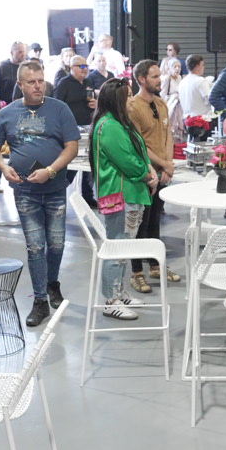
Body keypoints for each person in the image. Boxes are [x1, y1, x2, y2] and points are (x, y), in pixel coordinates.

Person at [0, 62, 79, 326]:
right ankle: (40, 300)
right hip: (25, 191)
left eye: (40, 80)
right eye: (31, 82)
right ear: (20, 85)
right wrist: (4, 167)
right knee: (36, 246)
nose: (38, 86)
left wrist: (50, 170)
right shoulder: (7, 113)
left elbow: (72, 146)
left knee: (57, 243)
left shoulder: (59, 109)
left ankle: (52, 283)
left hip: (55, 188)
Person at [90, 78, 157, 320]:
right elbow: (126, 160)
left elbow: (139, 152)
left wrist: (149, 169)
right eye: (128, 96)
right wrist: (147, 175)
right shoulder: (109, 126)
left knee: (124, 247)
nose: (132, 100)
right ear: (116, 99)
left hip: (129, 193)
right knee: (117, 248)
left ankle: (119, 292)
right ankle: (111, 301)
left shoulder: (119, 123)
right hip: (120, 195)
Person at [126, 60, 181, 294]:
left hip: (162, 172)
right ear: (141, 79)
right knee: (140, 224)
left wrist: (167, 166)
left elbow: (167, 135)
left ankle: (156, 265)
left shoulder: (161, 103)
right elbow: (139, 144)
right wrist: (162, 164)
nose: (160, 80)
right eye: (155, 76)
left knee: (155, 221)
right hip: (144, 175)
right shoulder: (132, 107)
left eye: (160, 76)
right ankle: (136, 273)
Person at [55, 54, 99, 207]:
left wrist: (96, 104)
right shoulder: (64, 83)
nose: (85, 69)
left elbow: (92, 99)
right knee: (72, 165)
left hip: (88, 127)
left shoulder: (88, 82)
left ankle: (88, 196)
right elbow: (57, 105)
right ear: (72, 68)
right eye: (81, 66)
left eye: (86, 66)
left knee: (88, 165)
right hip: (70, 130)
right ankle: (58, 194)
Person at [180, 54, 213, 120]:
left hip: (186, 119)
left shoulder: (182, 82)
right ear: (197, 66)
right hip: (201, 119)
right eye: (202, 65)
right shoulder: (200, 80)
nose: (204, 67)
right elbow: (210, 99)